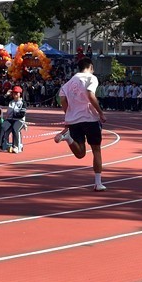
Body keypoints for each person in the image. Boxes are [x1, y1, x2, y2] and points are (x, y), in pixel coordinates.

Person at [56, 57, 108, 191]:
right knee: (96, 150)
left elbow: (62, 99)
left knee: (80, 154)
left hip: (74, 120)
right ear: (90, 67)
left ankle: (68, 139)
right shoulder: (91, 78)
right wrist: (101, 113)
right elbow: (90, 94)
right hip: (90, 119)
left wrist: (69, 115)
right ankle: (98, 183)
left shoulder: (68, 83)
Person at [2, 86, 27, 152]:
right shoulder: (10, 102)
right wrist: (6, 94)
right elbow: (1, 102)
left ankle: (16, 146)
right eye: (13, 93)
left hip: (19, 120)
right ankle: (5, 146)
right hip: (10, 119)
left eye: (16, 93)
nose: (15, 94)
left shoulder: (23, 103)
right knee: (4, 128)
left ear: (20, 94)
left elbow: (22, 114)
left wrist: (13, 115)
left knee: (15, 129)